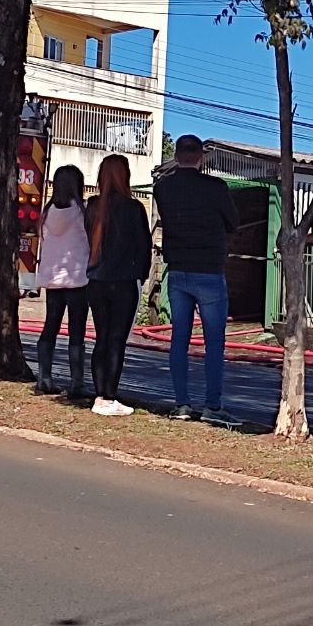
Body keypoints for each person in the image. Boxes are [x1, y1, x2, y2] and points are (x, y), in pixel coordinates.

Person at [153, 134, 241, 424]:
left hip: (178, 268)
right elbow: (232, 222)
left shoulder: (163, 188)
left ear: (176, 156)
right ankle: (212, 406)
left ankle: (181, 404)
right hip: (209, 269)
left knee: (180, 338)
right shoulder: (216, 188)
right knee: (214, 341)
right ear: (201, 157)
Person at [84, 154, 150, 417]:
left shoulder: (93, 206)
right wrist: (141, 276)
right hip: (123, 282)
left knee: (102, 337)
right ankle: (109, 396)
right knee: (116, 340)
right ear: (126, 176)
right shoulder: (133, 209)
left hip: (96, 281)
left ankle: (100, 395)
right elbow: (144, 247)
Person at [34, 165, 90, 399]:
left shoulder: (47, 213)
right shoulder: (81, 214)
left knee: (50, 327)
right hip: (78, 280)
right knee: (76, 332)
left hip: (53, 280)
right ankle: (77, 383)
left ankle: (44, 377)